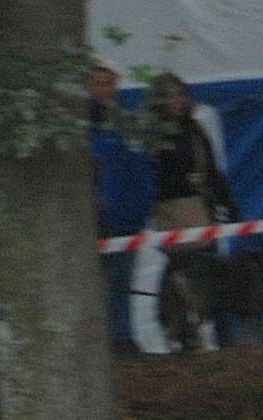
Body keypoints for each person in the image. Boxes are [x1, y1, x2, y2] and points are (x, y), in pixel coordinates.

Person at [148, 73, 244, 350]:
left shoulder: (195, 131)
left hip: (204, 215)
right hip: (175, 219)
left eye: (180, 95)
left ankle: (224, 340)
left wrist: (230, 205)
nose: (176, 101)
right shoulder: (156, 136)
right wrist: (184, 181)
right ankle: (181, 336)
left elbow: (212, 172)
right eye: (169, 96)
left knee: (217, 280)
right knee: (179, 276)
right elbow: (155, 180)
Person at [89, 63, 156, 352]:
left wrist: (143, 205)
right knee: (104, 281)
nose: (107, 89)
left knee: (124, 280)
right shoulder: (84, 126)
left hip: (130, 216)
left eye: (110, 83)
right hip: (100, 218)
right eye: (100, 83)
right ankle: (107, 340)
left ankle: (124, 336)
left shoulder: (128, 121)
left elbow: (141, 167)